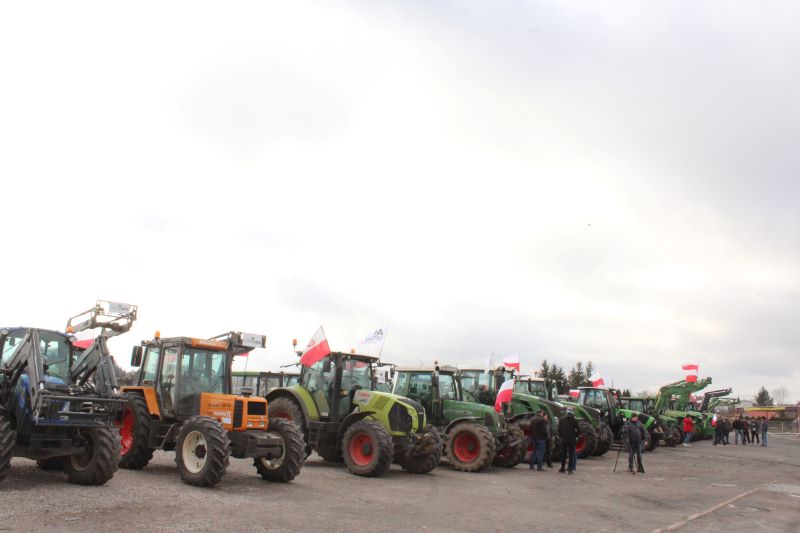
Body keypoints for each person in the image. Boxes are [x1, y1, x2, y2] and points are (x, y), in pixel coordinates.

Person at [557, 409, 581, 474]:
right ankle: (570, 469)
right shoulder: (574, 420)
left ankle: (562, 468)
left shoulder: (561, 420)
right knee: (571, 455)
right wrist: (576, 436)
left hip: (564, 440)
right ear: (572, 413)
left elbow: (559, 429)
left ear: (566, 413)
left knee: (563, 455)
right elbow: (578, 430)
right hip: (572, 440)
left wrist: (561, 436)